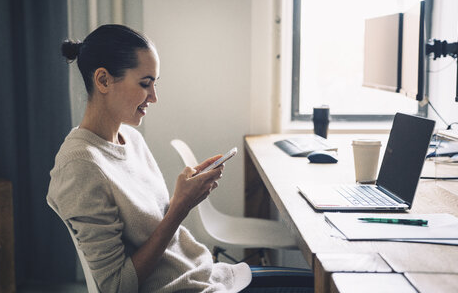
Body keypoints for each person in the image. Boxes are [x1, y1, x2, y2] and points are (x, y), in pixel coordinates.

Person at [47, 24, 313, 293]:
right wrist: (180, 208)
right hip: (188, 287)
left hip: (204, 275)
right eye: (144, 84)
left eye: (155, 84)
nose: (154, 97)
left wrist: (183, 197)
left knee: (315, 283)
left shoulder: (131, 139)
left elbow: (151, 228)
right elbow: (116, 287)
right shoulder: (80, 166)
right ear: (103, 80)